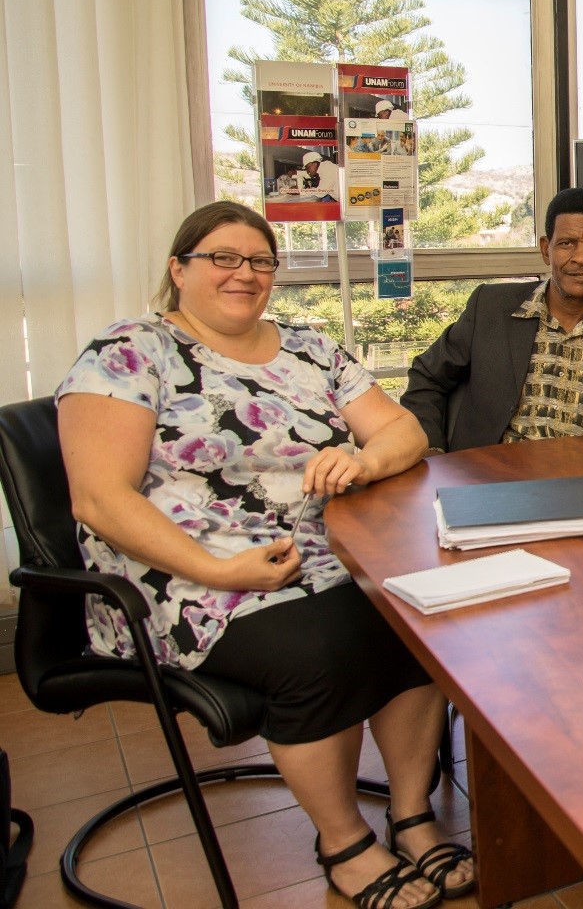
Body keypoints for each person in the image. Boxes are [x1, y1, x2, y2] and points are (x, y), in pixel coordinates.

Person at [56, 201, 471, 908]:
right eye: (222, 257)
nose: (243, 273)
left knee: (419, 623)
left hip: (323, 550)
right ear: (178, 268)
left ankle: (411, 815)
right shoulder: (130, 350)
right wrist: (217, 569)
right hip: (180, 575)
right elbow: (99, 500)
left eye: (259, 261)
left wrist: (360, 461)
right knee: (319, 652)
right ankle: (341, 841)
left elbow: (403, 432)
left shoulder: (311, 348)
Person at [402, 187, 583, 452]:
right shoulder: (489, 307)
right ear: (546, 249)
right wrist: (431, 451)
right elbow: (428, 377)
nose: (581, 258)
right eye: (567, 244)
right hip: (487, 481)